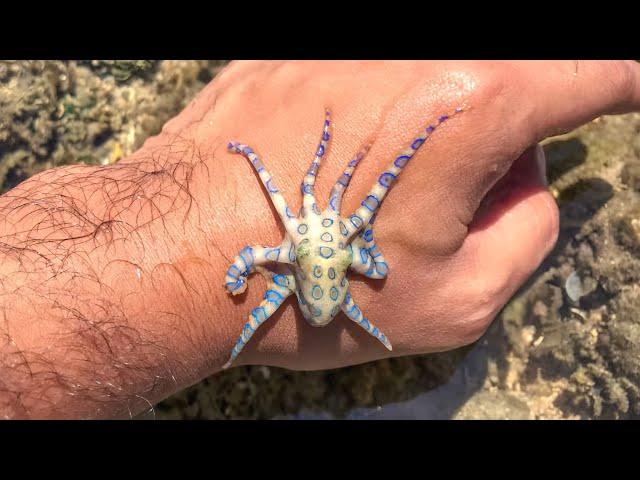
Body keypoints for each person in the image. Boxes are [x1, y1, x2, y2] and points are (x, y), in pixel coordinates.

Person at [0, 60, 638, 419]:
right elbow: (344, 240)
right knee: (363, 192)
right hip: (324, 285)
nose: (328, 209)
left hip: (318, 284)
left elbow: (262, 250)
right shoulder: (330, 233)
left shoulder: (299, 238)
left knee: (344, 195)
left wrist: (231, 264)